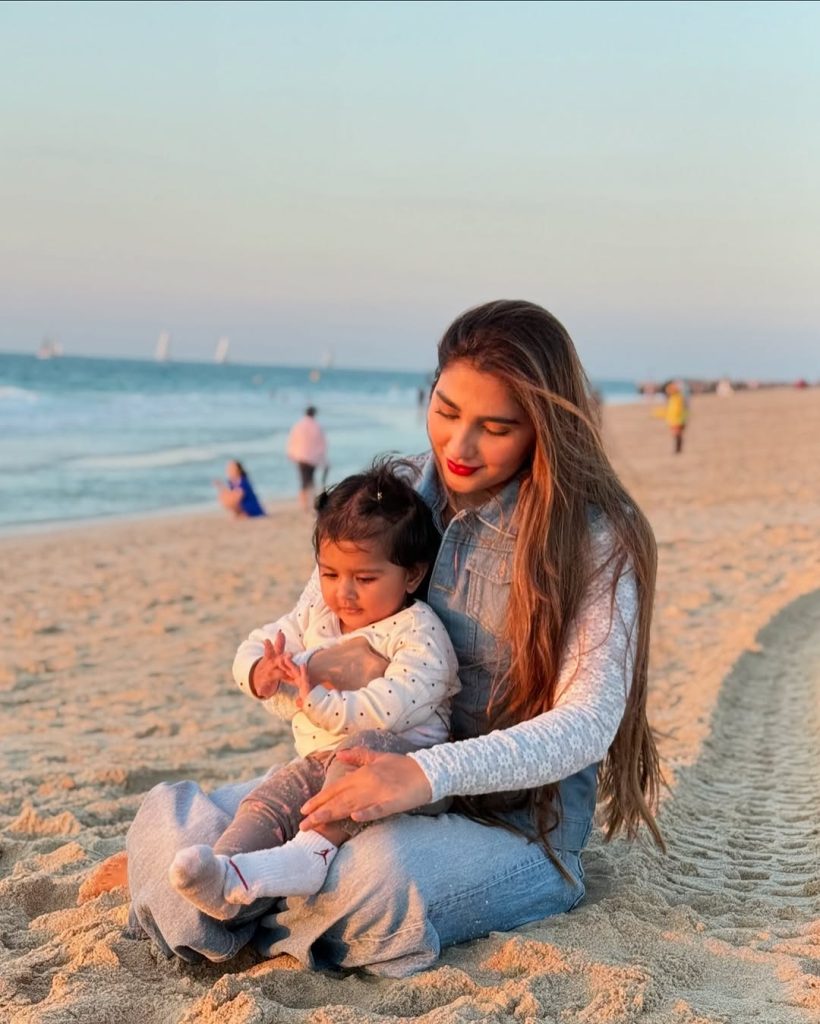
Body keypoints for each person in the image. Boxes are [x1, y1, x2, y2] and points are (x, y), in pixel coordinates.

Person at [124, 299, 663, 974]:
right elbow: (316, 623)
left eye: (494, 427)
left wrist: (418, 776)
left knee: (377, 877)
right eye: (445, 411)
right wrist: (283, 675)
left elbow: (586, 723)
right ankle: (236, 895)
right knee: (167, 812)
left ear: (543, 427)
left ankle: (214, 909)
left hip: (507, 827)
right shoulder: (397, 490)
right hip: (357, 776)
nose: (458, 447)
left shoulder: (592, 536)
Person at [167, 460, 460, 920]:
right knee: (269, 801)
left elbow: (392, 707)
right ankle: (225, 876)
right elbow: (259, 641)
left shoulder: (418, 632)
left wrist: (318, 701)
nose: (344, 593)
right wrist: (260, 672)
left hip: (401, 764)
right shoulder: (317, 619)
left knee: (360, 748)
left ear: (412, 575)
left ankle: (311, 854)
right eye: (329, 574)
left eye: (365, 579)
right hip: (320, 761)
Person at [286, 406, 328, 511]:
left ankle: (304, 504)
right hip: (313, 458)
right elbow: (322, 444)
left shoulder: (298, 425)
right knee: (310, 479)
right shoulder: (317, 426)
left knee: (303, 480)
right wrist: (323, 459)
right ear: (314, 414)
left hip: (301, 457)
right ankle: (311, 502)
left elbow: (292, 440)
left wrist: (291, 454)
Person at [663, 381, 689, 454]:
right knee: (676, 435)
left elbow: (682, 409)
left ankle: (678, 449)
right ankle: (677, 449)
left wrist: (684, 418)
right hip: (673, 419)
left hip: (678, 420)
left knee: (677, 435)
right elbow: (669, 410)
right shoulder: (672, 398)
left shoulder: (678, 398)